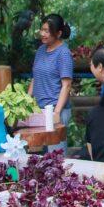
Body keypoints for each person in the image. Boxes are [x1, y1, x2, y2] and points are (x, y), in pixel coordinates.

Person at [28, 14, 73, 152]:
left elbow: (66, 85)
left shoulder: (63, 53)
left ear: (58, 33)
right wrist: (26, 101)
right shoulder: (41, 50)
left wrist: (56, 113)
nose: (42, 34)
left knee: (56, 157)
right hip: (38, 110)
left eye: (47, 31)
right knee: (37, 155)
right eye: (42, 29)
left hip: (56, 110)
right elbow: (35, 78)